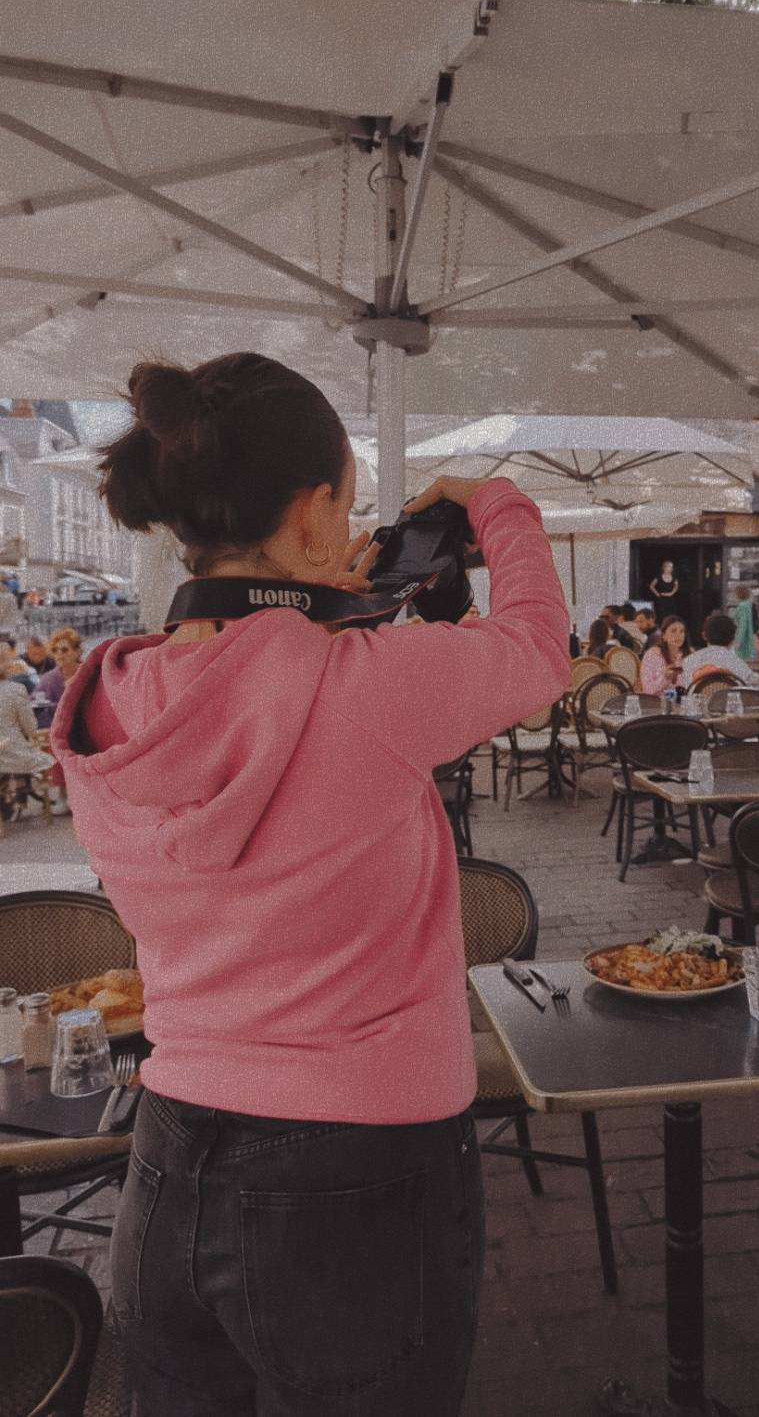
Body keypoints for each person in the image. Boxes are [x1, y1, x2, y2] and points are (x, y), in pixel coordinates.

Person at [49, 351, 569, 1417]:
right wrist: (493, 501)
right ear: (308, 515)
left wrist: (303, 612)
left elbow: (236, 685)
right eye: (345, 506)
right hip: (361, 1171)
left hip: (166, 1156)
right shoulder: (367, 690)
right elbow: (534, 646)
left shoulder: (102, 702)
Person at [0, 651, 54, 821]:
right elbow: (31, 727)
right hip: (12, 753)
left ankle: (10, 800)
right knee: (29, 750)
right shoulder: (16, 690)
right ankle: (17, 797)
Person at [682, 612, 759, 690]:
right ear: (733, 639)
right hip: (729, 701)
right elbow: (755, 683)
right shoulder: (737, 664)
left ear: (704, 636)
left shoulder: (688, 661)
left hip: (698, 701)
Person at [34, 627, 84, 730]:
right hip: (58, 731)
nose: (59, 653)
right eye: (54, 650)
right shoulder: (47, 679)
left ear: (77, 652)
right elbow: (34, 706)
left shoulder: (89, 674)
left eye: (64, 650)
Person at [639, 615, 689, 695]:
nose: (678, 635)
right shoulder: (652, 654)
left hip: (683, 703)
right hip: (657, 704)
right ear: (664, 636)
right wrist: (665, 678)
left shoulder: (688, 656)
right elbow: (647, 690)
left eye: (681, 631)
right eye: (673, 631)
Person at [732, 586, 758, 665]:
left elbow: (742, 625)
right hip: (749, 637)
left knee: (740, 662)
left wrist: (738, 640)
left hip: (743, 639)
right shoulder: (749, 605)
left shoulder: (742, 607)